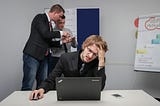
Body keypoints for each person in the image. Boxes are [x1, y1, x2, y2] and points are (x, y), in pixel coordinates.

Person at [29, 35, 108, 100]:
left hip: (87, 99)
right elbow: (51, 79)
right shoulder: (66, 58)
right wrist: (41, 89)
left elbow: (100, 87)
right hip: (67, 98)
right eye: (89, 50)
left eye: (95, 54)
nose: (90, 56)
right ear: (84, 46)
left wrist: (101, 60)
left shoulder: (98, 62)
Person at [22, 4, 71, 91]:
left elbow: (48, 41)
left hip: (44, 57)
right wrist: (61, 33)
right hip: (33, 55)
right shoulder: (40, 18)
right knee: (28, 83)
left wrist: (62, 42)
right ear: (55, 13)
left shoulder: (50, 25)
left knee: (42, 83)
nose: (60, 19)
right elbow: (45, 34)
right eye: (60, 16)